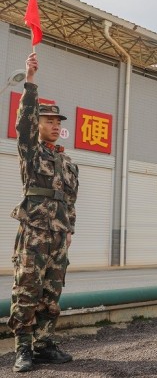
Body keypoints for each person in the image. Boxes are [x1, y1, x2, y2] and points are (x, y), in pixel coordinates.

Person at [9, 53, 78, 372]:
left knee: (52, 291)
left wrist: (69, 234)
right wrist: (30, 81)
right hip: (35, 233)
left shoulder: (68, 164)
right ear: (38, 124)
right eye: (48, 120)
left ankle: (45, 344)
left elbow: (70, 202)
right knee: (27, 289)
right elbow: (22, 124)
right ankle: (23, 348)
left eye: (57, 122)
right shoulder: (31, 153)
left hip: (58, 237)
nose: (54, 125)